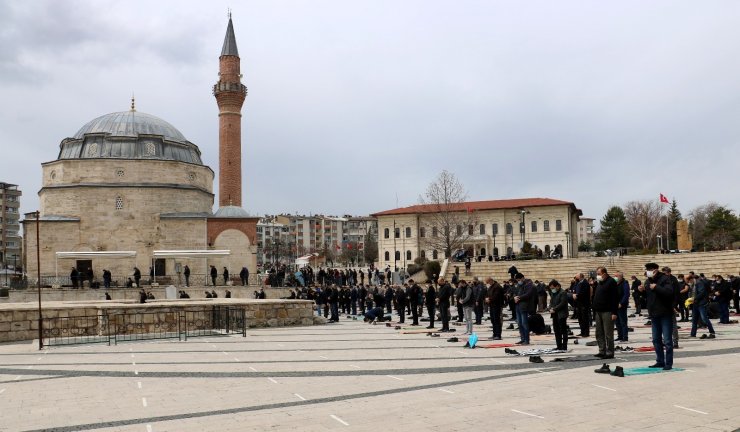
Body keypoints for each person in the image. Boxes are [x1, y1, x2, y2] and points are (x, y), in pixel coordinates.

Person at [639, 263, 675, 370]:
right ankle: (660, 361)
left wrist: (657, 287)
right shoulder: (648, 280)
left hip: (665, 313)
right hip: (654, 314)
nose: (648, 271)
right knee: (655, 339)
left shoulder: (665, 279)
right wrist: (642, 291)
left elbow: (669, 292)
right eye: (647, 270)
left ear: (655, 270)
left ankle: (668, 363)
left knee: (667, 340)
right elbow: (648, 296)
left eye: (649, 269)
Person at [592, 267, 618, 359]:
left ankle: (610, 352)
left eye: (599, 274)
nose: (597, 276)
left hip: (607, 311)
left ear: (604, 274)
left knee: (608, 333)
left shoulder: (611, 282)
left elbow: (615, 298)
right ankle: (601, 350)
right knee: (599, 332)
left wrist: (614, 312)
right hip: (598, 311)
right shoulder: (600, 282)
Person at [688, 274, 715, 338]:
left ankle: (712, 332)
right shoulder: (692, 285)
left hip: (701, 304)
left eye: (689, 281)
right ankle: (693, 334)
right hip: (695, 304)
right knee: (694, 320)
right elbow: (691, 293)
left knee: (704, 318)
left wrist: (694, 298)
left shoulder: (699, 283)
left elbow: (702, 293)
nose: (689, 283)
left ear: (692, 279)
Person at [513, 273, 535, 345]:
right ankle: (522, 338)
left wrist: (519, 298)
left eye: (519, 280)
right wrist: (514, 297)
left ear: (522, 278)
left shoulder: (528, 284)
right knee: (519, 323)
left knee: (524, 323)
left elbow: (528, 294)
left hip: (524, 306)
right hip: (518, 306)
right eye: (517, 280)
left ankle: (526, 339)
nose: (518, 281)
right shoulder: (519, 285)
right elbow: (515, 292)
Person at [547, 279, 568, 351]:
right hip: (554, 314)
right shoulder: (553, 293)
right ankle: (559, 346)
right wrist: (549, 308)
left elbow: (562, 303)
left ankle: (564, 346)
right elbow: (551, 302)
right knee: (556, 330)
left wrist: (554, 309)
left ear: (557, 286)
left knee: (563, 331)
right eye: (551, 288)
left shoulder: (563, 292)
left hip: (561, 314)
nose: (552, 289)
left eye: (553, 288)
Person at [615, 271, 630, 343]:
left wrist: (621, 303)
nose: (615, 277)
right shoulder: (615, 284)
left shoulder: (625, 283)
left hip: (622, 305)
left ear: (620, 276)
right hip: (615, 305)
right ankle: (619, 336)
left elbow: (626, 294)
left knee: (623, 321)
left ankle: (625, 337)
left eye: (616, 276)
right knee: (617, 322)